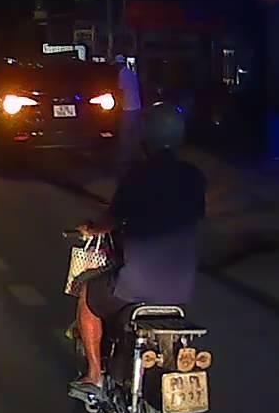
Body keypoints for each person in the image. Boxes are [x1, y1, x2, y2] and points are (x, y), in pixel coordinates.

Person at [69, 102, 206, 396]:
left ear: (147, 138)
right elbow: (193, 215)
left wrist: (91, 228)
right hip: (181, 287)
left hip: (137, 286)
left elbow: (111, 220)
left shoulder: (137, 176)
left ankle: (94, 376)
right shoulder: (195, 177)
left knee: (88, 296)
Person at [115, 54, 143, 173]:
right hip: (137, 106)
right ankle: (136, 157)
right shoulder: (131, 73)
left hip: (128, 108)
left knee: (125, 134)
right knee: (135, 133)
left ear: (118, 64)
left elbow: (121, 91)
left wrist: (118, 106)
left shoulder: (122, 74)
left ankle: (125, 159)